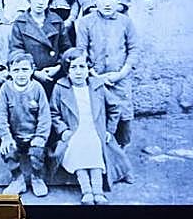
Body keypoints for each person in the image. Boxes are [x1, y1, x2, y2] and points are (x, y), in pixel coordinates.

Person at [50, 47, 132, 203]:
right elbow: (54, 112)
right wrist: (63, 130)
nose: (78, 72)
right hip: (74, 131)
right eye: (73, 67)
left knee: (95, 146)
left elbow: (115, 107)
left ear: (88, 68)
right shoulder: (61, 87)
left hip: (95, 130)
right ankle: (86, 190)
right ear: (67, 71)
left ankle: (98, 191)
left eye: (82, 67)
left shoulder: (96, 86)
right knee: (77, 146)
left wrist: (109, 130)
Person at [75, 0, 139, 149]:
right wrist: (93, 74)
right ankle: (101, 154)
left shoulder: (125, 22)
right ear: (94, 0)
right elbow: (81, 51)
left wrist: (121, 73)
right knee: (99, 114)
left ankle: (121, 153)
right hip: (95, 78)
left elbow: (133, 50)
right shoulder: (86, 22)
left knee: (123, 115)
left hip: (120, 78)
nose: (107, 3)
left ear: (118, 0)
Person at [0, 51, 51, 197]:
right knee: (8, 149)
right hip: (14, 135)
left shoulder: (37, 88)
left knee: (37, 152)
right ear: (9, 71)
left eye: (25, 70)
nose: (21, 74)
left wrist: (40, 137)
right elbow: (1, 115)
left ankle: (37, 178)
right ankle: (17, 179)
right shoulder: (5, 89)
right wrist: (6, 136)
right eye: (16, 70)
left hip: (34, 135)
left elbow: (45, 116)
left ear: (32, 70)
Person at [9, 0, 71, 95]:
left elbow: (66, 49)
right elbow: (16, 51)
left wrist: (58, 67)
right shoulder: (20, 22)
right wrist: (34, 72)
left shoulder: (56, 21)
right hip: (30, 77)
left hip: (55, 76)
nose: (40, 2)